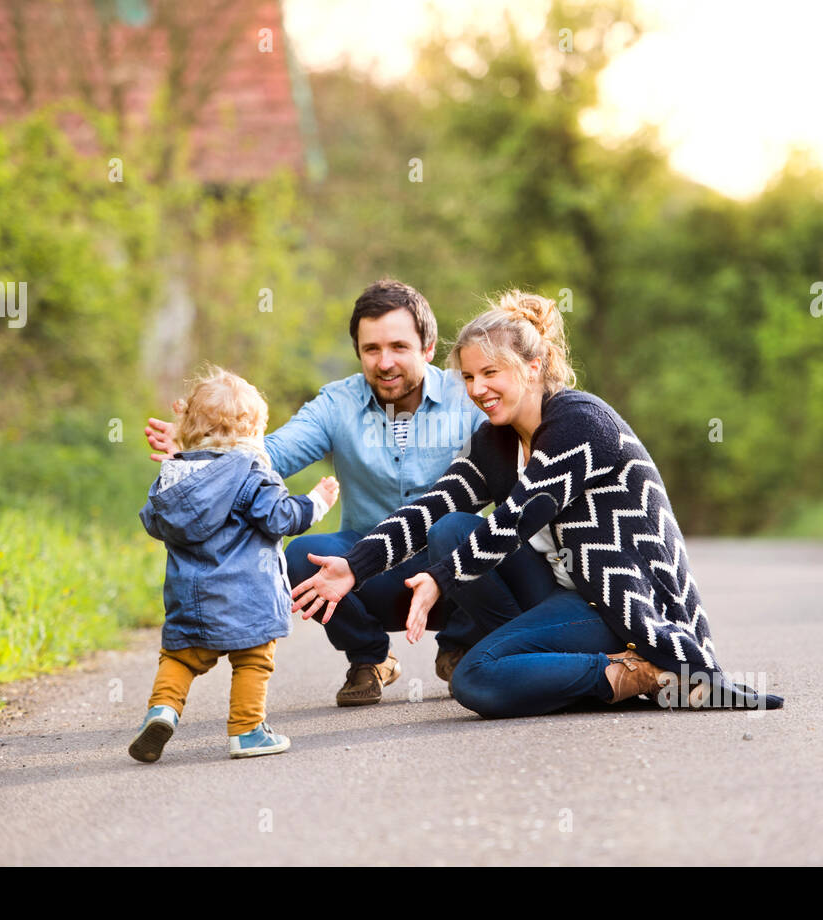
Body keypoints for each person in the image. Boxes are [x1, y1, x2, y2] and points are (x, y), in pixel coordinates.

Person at [291, 291, 784, 717]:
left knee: (477, 679)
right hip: (557, 593)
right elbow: (431, 509)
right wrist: (354, 568)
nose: (478, 389)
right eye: (467, 377)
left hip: (614, 604)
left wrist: (440, 577)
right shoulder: (496, 442)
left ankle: (645, 672)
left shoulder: (580, 422)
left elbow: (518, 517)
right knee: (451, 528)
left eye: (491, 372)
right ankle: (536, 662)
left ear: (533, 365)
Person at [145, 279, 487, 707]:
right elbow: (270, 455)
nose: (385, 362)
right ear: (359, 352)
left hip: (452, 572)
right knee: (297, 556)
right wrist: (208, 449)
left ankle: (461, 648)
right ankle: (371, 657)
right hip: (368, 565)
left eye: (399, 347)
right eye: (371, 349)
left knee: (472, 532)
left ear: (428, 346)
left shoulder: (469, 396)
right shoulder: (337, 403)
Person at [130, 366, 339, 761]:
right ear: (253, 431)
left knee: (179, 658)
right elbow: (280, 518)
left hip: (189, 597)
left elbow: (153, 522)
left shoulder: (174, 473)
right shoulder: (252, 472)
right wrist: (316, 503)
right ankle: (247, 731)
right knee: (254, 659)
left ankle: (162, 710)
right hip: (247, 596)